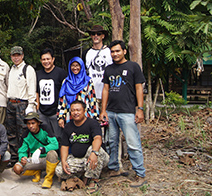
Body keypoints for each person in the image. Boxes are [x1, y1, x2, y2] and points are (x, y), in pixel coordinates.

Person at [100, 40, 147, 188]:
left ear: (124, 51)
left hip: (127, 112)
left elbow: (139, 88)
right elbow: (106, 89)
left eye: (118, 51)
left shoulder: (133, 67)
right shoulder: (108, 69)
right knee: (112, 142)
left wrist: (140, 108)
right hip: (111, 111)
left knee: (133, 143)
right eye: (112, 52)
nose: (115, 54)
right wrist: (103, 110)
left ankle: (140, 173)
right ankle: (114, 168)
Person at [56, 100, 109, 191]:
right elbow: (65, 145)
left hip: (96, 157)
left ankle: (93, 180)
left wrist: (94, 152)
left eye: (78, 110)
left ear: (84, 111)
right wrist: (64, 160)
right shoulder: (68, 126)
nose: (75, 113)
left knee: (93, 149)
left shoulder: (92, 123)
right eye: (73, 110)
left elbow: (97, 139)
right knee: (59, 170)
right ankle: (84, 175)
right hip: (80, 160)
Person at [5, 46, 37, 165]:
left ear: (22, 56)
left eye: (18, 55)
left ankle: (24, 158)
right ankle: (14, 157)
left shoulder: (27, 69)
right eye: (14, 55)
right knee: (11, 132)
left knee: (23, 132)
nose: (16, 57)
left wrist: (31, 105)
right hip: (11, 104)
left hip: (22, 104)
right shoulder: (11, 69)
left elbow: (32, 88)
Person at [13, 112, 59, 189]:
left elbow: (55, 144)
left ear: (38, 122)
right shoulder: (25, 135)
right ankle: (36, 171)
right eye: (28, 124)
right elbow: (22, 150)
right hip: (35, 160)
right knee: (17, 168)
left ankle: (48, 179)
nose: (31, 126)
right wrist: (22, 157)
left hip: (47, 159)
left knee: (52, 153)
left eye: (33, 123)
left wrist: (42, 149)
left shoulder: (45, 129)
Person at [58, 57, 99, 127]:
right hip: (70, 115)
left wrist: (95, 117)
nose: (75, 68)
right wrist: (60, 117)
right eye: (73, 65)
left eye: (77, 65)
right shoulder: (66, 82)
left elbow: (92, 99)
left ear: (81, 66)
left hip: (85, 115)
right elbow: (62, 101)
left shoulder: (87, 81)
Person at [36, 48, 67, 142]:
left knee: (58, 137)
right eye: (43, 59)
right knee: (44, 137)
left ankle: (59, 156)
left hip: (56, 112)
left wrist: (62, 112)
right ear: (41, 60)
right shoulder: (38, 74)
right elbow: (36, 91)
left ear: (53, 59)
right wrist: (37, 106)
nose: (46, 61)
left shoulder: (61, 73)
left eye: (48, 59)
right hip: (42, 112)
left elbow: (65, 92)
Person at [83, 25, 113, 107]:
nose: (96, 36)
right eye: (93, 34)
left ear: (103, 36)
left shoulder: (109, 52)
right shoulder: (86, 53)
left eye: (98, 34)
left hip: (107, 94)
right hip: (91, 94)